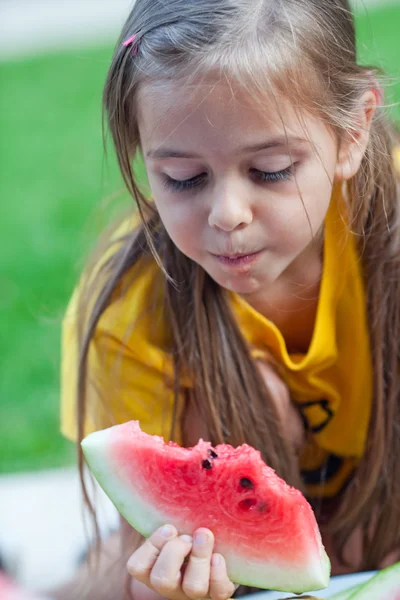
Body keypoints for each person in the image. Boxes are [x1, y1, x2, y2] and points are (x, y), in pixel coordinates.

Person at [58, 0, 400, 598]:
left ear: (352, 133)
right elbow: (145, 546)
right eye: (184, 178)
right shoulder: (128, 310)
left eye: (270, 169)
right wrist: (161, 587)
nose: (227, 215)